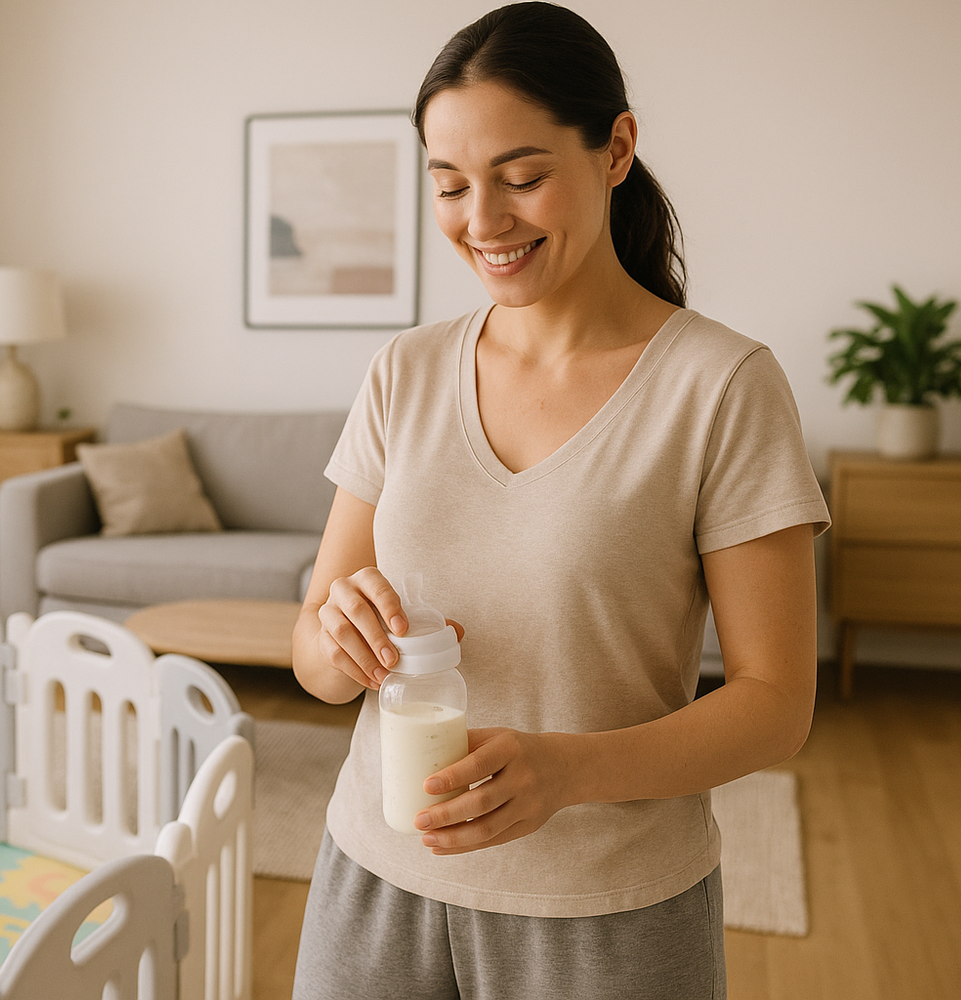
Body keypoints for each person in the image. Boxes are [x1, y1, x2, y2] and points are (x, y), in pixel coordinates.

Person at [290, 4, 830, 998]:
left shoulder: (720, 387)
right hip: (372, 875)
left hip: (605, 912)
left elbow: (774, 706)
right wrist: (336, 637)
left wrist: (568, 771)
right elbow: (316, 660)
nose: (481, 222)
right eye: (449, 185)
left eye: (523, 176)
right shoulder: (403, 372)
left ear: (616, 148)